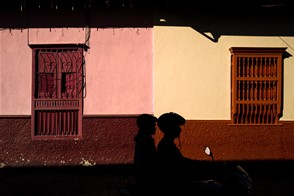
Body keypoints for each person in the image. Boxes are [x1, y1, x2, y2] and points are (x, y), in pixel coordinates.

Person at [156, 112, 223, 195]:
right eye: (177, 126)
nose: (180, 129)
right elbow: (180, 164)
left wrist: (202, 164)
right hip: (176, 184)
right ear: (170, 128)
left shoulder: (167, 144)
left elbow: (182, 162)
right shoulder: (166, 146)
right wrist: (204, 165)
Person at [125, 113, 158, 195]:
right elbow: (149, 162)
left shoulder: (142, 139)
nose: (155, 128)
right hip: (145, 178)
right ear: (147, 127)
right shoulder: (146, 141)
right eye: (153, 125)